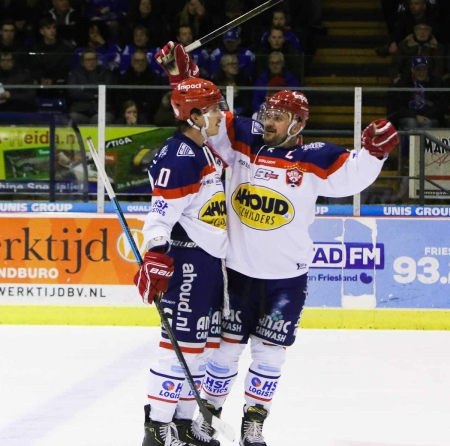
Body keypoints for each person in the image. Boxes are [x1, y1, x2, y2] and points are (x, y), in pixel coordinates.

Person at [157, 42, 400, 446]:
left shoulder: (316, 157)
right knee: (226, 354)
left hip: (287, 280)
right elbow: (205, 114)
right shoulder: (242, 139)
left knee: (271, 355)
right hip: (237, 273)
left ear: (297, 124)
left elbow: (352, 176)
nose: (267, 120)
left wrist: (374, 152)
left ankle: (254, 425)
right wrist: (183, 76)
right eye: (267, 112)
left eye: (278, 116)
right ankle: (206, 418)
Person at [134, 43, 228, 446]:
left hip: (210, 262)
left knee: (201, 349)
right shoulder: (180, 154)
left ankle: (185, 424)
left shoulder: (201, 146)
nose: (219, 115)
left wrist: (179, 70)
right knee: (179, 351)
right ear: (192, 114)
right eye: (212, 108)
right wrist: (155, 256)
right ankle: (157, 427)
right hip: (187, 263)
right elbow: (158, 216)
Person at [67, 48, 116, 124]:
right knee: (72, 118)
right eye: (88, 60)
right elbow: (74, 92)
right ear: (82, 62)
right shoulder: (75, 74)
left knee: (101, 120)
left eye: (93, 59)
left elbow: (107, 89)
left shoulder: (105, 73)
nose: (91, 62)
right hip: (80, 110)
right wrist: (94, 95)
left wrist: (83, 87)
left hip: (101, 110)